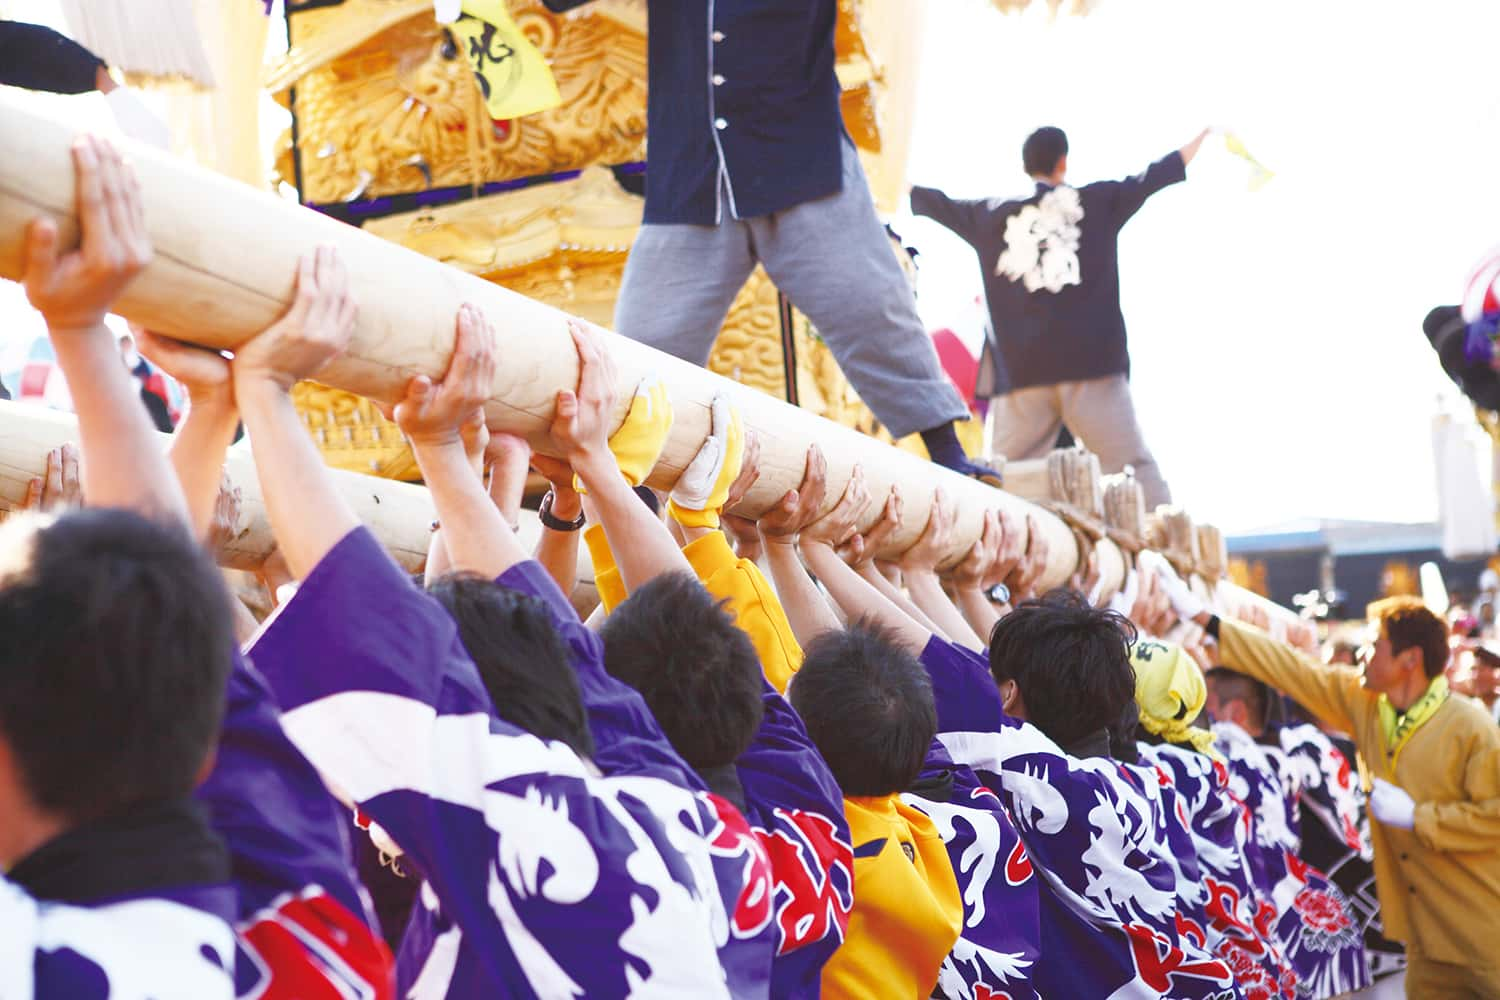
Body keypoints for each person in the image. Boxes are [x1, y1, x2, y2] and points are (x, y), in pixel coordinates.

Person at [538, 0, 992, 482]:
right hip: (694, 174)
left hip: (801, 160)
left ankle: (945, 449)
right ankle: (634, 484)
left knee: (870, 304)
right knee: (646, 339)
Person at [1161, 570, 1500, 998]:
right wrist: (1206, 618)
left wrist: (1420, 817)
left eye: (1374, 646)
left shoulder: (1472, 728)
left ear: (1409, 660)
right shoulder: (1367, 703)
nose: (1362, 655)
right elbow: (1290, 669)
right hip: (1423, 940)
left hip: (1484, 932)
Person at [911, 126, 1210, 506]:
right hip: (1092, 369)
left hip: (1021, 376)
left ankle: (996, 550)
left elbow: (933, 201)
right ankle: (1169, 555)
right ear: (1063, 161)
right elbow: (1153, 176)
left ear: (1025, 165)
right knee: (1133, 474)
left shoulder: (991, 215)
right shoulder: (1097, 201)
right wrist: (1206, 135)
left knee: (1004, 480)